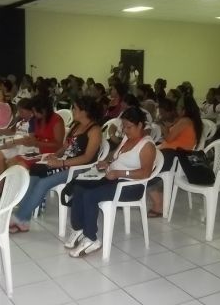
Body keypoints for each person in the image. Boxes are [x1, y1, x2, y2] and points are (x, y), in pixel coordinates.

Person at [64, 107, 157, 257]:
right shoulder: (127, 139)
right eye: (124, 126)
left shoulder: (147, 146)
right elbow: (116, 155)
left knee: (90, 195)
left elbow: (145, 173)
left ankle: (91, 238)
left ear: (140, 125)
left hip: (131, 186)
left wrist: (120, 173)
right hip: (113, 178)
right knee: (79, 187)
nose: (125, 130)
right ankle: (78, 228)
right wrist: (107, 162)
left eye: (129, 127)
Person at [9, 96, 103, 233]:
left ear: (84, 111)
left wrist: (62, 163)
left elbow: (87, 158)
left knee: (43, 183)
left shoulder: (94, 131)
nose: (72, 111)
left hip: (80, 168)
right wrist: (56, 155)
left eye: (75, 108)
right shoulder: (76, 126)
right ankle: (23, 220)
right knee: (33, 177)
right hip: (66, 163)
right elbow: (65, 146)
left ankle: (18, 218)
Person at [147, 96, 202, 217]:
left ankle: (158, 205)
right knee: (145, 162)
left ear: (184, 109)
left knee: (146, 170)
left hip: (174, 156)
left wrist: (164, 128)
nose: (176, 109)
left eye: (178, 107)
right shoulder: (185, 120)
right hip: (172, 152)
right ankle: (157, 198)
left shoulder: (185, 121)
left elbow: (169, 137)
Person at [0, 98, 35, 198]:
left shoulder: (33, 123)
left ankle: (2, 187)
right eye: (19, 111)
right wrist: (0, 131)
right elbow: (12, 132)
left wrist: (12, 142)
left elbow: (30, 140)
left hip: (23, 149)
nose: (20, 113)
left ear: (30, 111)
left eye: (22, 111)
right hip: (14, 146)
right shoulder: (20, 121)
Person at [14, 96, 65, 169]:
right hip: (39, 152)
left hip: (52, 155)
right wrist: (29, 140)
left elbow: (58, 145)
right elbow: (38, 137)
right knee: (11, 161)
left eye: (35, 111)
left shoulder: (57, 121)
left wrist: (36, 143)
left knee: (19, 166)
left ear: (43, 110)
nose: (33, 113)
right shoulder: (38, 119)